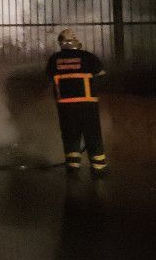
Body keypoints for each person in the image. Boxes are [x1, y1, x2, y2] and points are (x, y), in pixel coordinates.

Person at [45, 29, 109, 178]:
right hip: (87, 105)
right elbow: (101, 73)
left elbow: (49, 76)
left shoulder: (54, 59)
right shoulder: (87, 57)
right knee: (92, 135)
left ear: (61, 42)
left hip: (65, 106)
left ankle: (73, 167)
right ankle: (99, 168)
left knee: (70, 135)